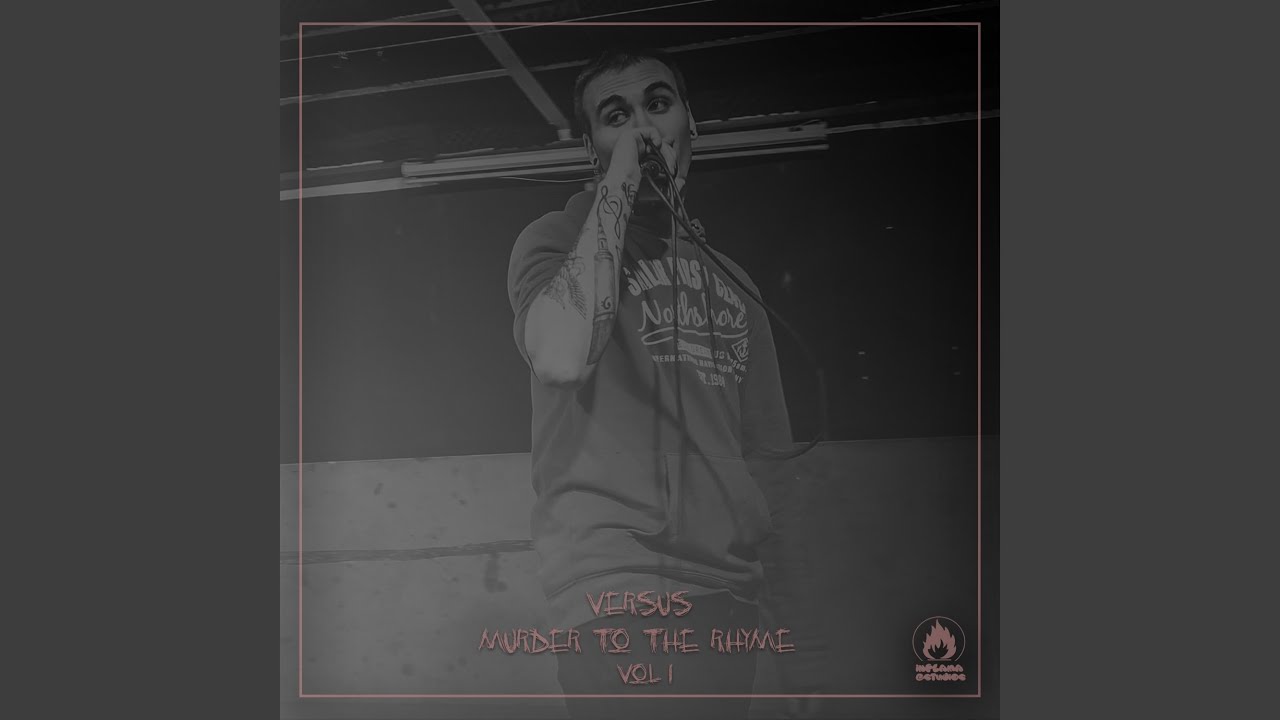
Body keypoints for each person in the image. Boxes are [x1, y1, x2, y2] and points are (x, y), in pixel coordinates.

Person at [506, 48, 798, 720]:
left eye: (657, 105)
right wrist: (618, 184)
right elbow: (560, 355)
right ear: (591, 148)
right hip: (617, 589)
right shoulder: (553, 240)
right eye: (616, 117)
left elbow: (771, 463)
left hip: (728, 598)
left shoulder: (734, 282)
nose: (641, 126)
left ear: (690, 123)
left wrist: (802, 642)